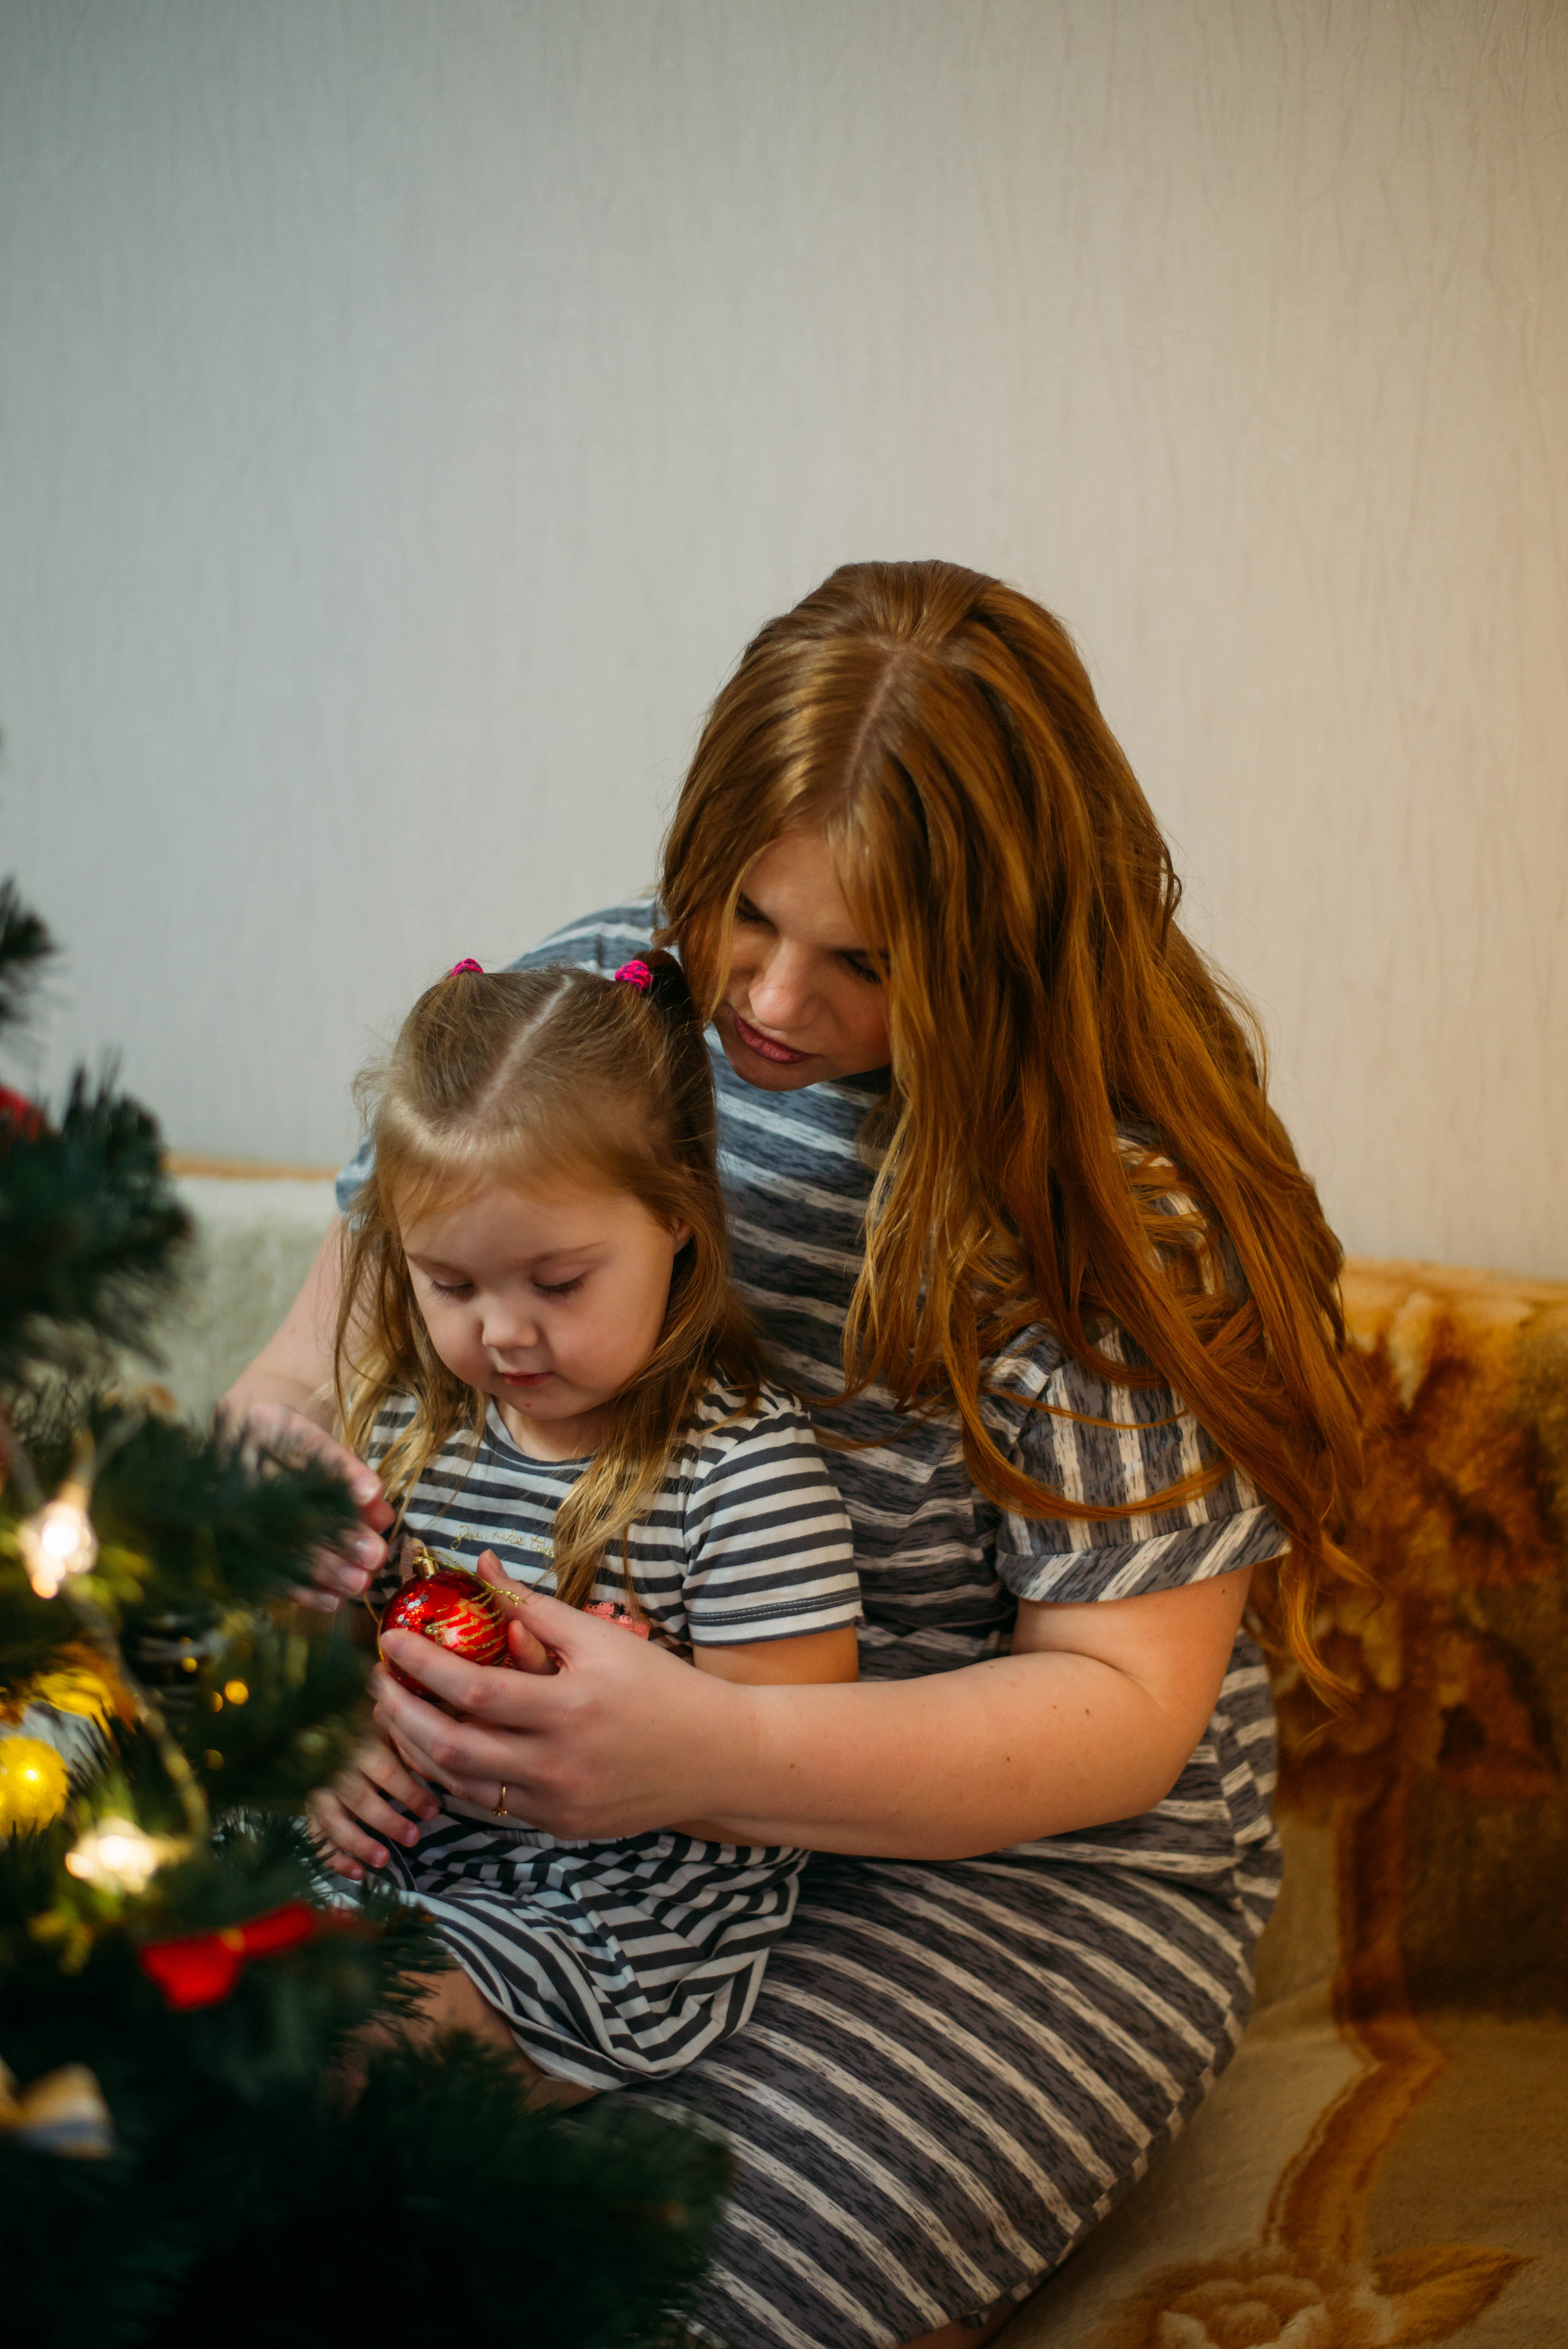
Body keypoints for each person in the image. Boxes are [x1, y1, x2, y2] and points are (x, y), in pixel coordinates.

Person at [230, 561, 1360, 2349]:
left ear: (1004, 954)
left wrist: (713, 1749)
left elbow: (1122, 1711)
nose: (764, 994)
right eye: (744, 910)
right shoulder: (609, 1002)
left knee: (626, 2284)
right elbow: (329, 1350)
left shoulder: (1109, 1212)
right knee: (228, 2105)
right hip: (539, 1793)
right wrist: (296, 1546)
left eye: (864, 962)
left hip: (999, 1870)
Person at [306, 948, 861, 2098]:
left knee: (329, 2029)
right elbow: (340, 1643)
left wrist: (633, 1718)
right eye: (449, 1285)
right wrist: (336, 1737)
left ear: (676, 1221)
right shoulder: (411, 1419)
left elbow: (802, 1767)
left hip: (592, 1920)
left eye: (557, 1284)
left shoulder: (742, 1476)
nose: (503, 1333)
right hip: (391, 1856)